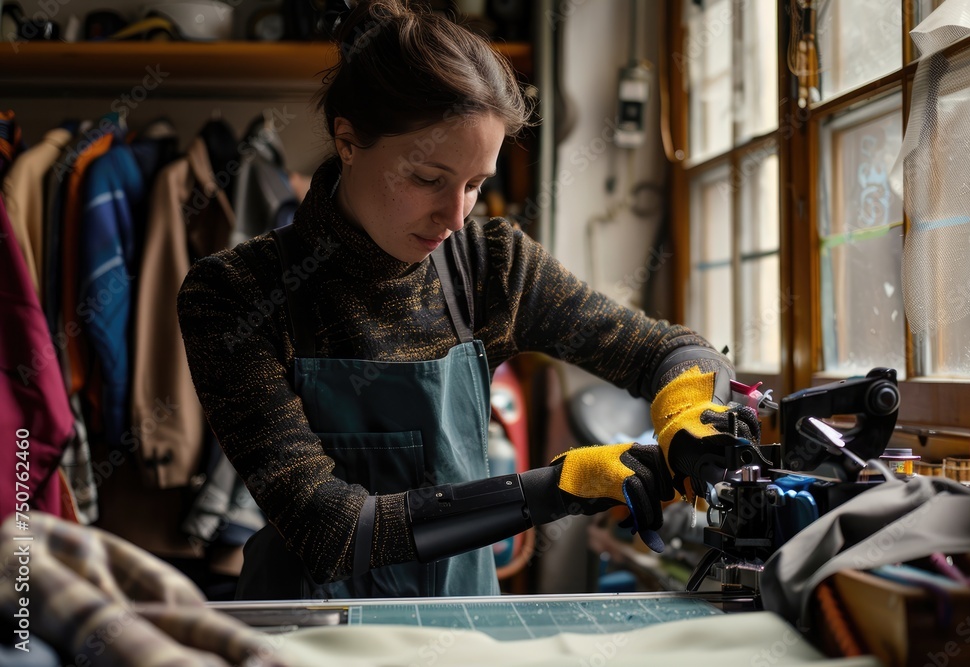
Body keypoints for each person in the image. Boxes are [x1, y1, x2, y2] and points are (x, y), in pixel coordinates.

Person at [177, 0, 760, 601]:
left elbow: (667, 350)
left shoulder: (493, 266)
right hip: (307, 636)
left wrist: (690, 415)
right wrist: (561, 486)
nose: (455, 216)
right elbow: (329, 529)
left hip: (464, 626)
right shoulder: (235, 294)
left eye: (476, 185)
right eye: (429, 179)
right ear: (347, 139)